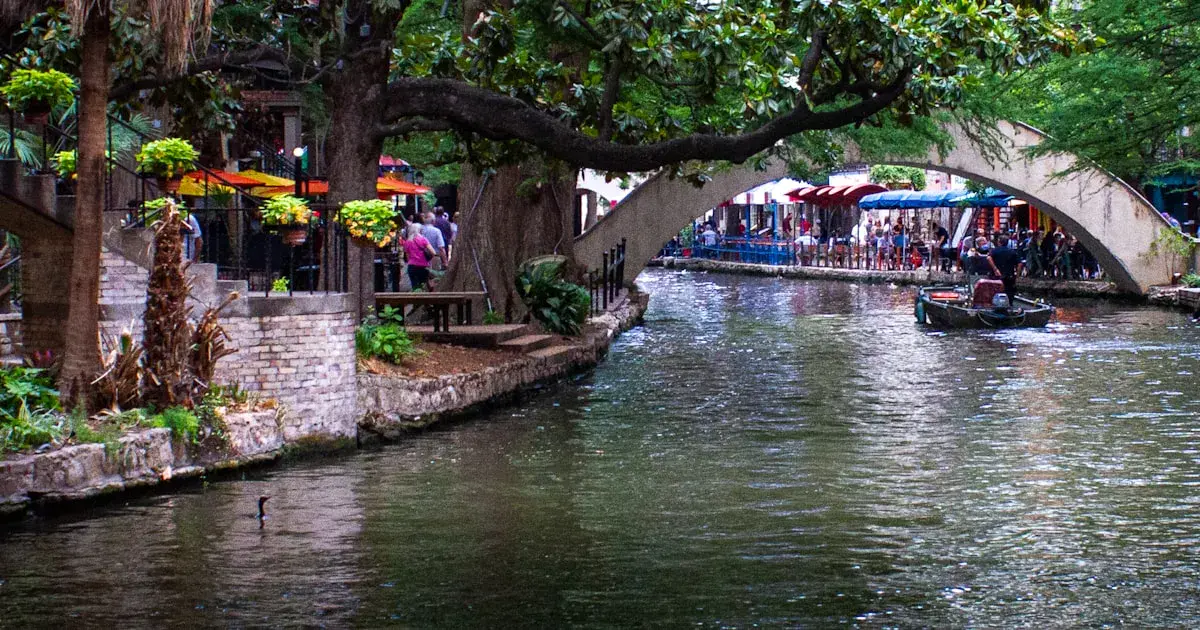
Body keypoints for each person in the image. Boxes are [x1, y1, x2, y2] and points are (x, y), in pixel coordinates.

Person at [987, 233, 1023, 301]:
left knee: (995, 292)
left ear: (999, 242)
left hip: (996, 276)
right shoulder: (1012, 252)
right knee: (1009, 294)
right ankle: (1010, 306)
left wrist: (995, 269)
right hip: (1009, 276)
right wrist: (1017, 275)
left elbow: (989, 258)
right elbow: (1020, 264)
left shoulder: (995, 251)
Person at [401, 223, 437, 290]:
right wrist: (427, 259)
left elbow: (408, 257)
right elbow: (433, 252)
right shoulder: (423, 239)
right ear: (419, 230)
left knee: (414, 286)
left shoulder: (407, 242)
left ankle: (415, 298)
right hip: (423, 266)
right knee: (422, 286)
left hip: (412, 266)